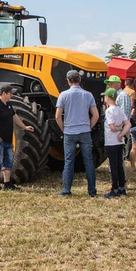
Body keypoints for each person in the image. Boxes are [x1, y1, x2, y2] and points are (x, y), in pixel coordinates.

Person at [55, 69, 100, 197]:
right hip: (85, 131)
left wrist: (63, 129)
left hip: (70, 132)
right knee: (88, 161)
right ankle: (92, 191)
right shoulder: (88, 95)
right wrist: (89, 126)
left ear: (68, 81)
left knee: (69, 161)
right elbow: (95, 115)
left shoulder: (63, 95)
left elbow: (58, 116)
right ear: (79, 80)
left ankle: (66, 190)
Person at [0, 85, 35, 191]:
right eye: (10, 93)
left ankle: (7, 183)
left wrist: (24, 127)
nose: (11, 95)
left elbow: (14, 116)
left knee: (8, 161)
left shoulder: (8, 104)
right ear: (3, 93)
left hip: (7, 138)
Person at [101, 88, 130, 197]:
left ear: (107, 98)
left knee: (113, 166)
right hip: (119, 141)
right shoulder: (119, 109)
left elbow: (112, 127)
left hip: (111, 141)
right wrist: (122, 133)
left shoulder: (109, 111)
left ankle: (115, 189)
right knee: (120, 165)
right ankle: (122, 187)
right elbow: (128, 124)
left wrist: (118, 129)